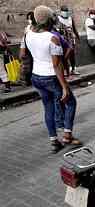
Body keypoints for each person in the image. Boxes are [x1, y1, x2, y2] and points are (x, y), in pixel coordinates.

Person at [26, 5, 80, 153]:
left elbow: (26, 53)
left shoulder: (28, 33)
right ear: (49, 20)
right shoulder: (53, 38)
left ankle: (54, 141)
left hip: (36, 76)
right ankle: (67, 135)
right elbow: (56, 66)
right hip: (51, 77)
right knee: (70, 102)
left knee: (48, 108)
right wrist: (64, 86)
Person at [57, 5, 80, 76]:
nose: (65, 12)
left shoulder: (70, 18)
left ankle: (73, 69)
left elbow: (74, 28)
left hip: (71, 39)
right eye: (64, 11)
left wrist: (78, 37)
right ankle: (65, 70)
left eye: (66, 11)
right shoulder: (58, 19)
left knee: (72, 55)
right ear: (61, 12)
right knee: (64, 55)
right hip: (62, 39)